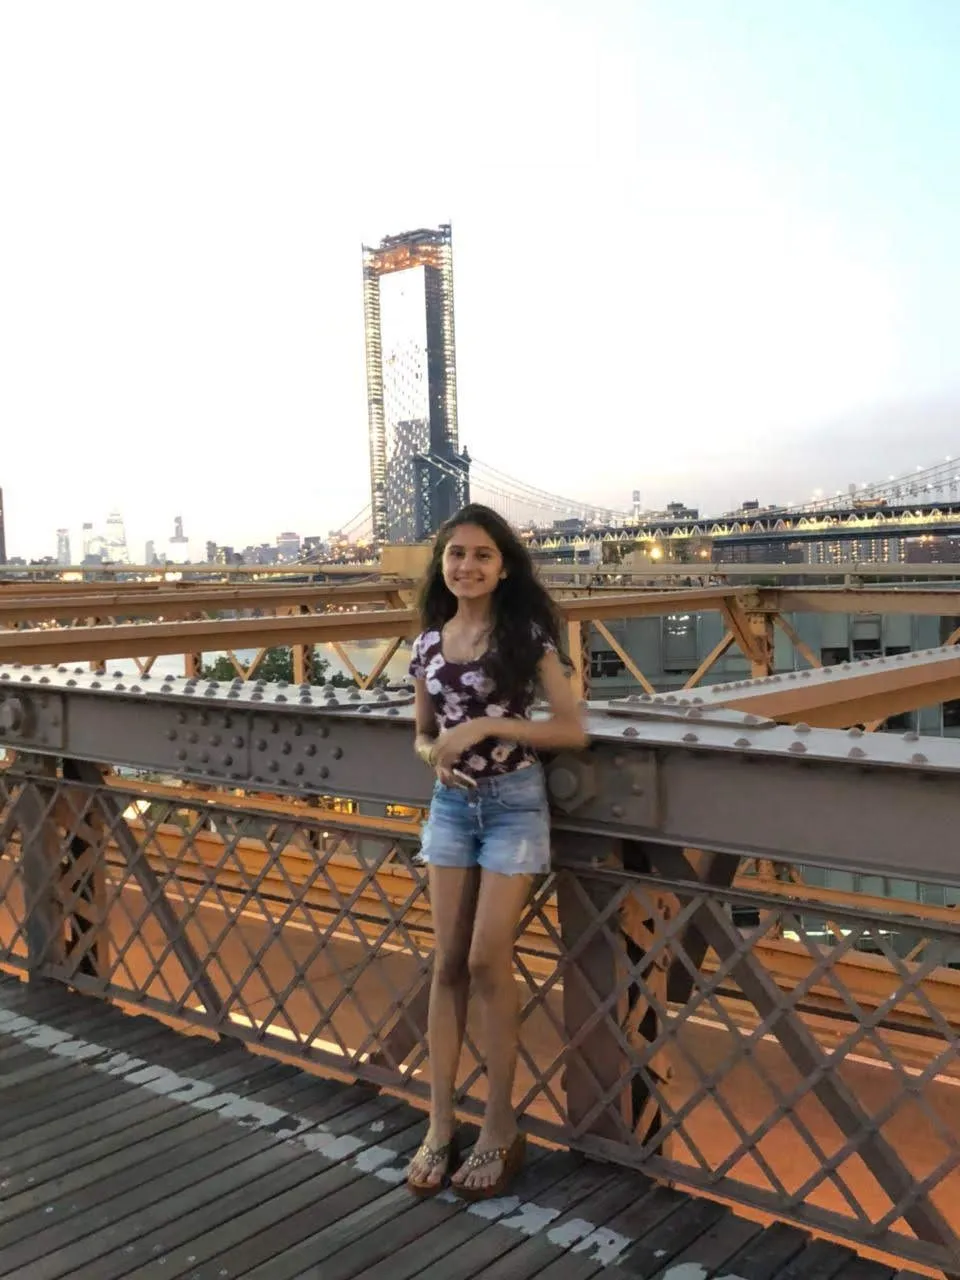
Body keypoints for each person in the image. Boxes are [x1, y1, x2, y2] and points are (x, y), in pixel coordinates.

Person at [404, 504, 587, 1200]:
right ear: (442, 564)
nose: (467, 566)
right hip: (452, 808)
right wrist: (435, 753)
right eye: (456, 554)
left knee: (486, 958)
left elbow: (570, 730)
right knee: (447, 963)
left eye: (482, 555)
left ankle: (500, 1126)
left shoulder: (525, 637)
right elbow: (423, 734)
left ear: (504, 567)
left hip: (513, 806)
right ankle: (439, 1124)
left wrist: (483, 726)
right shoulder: (428, 644)